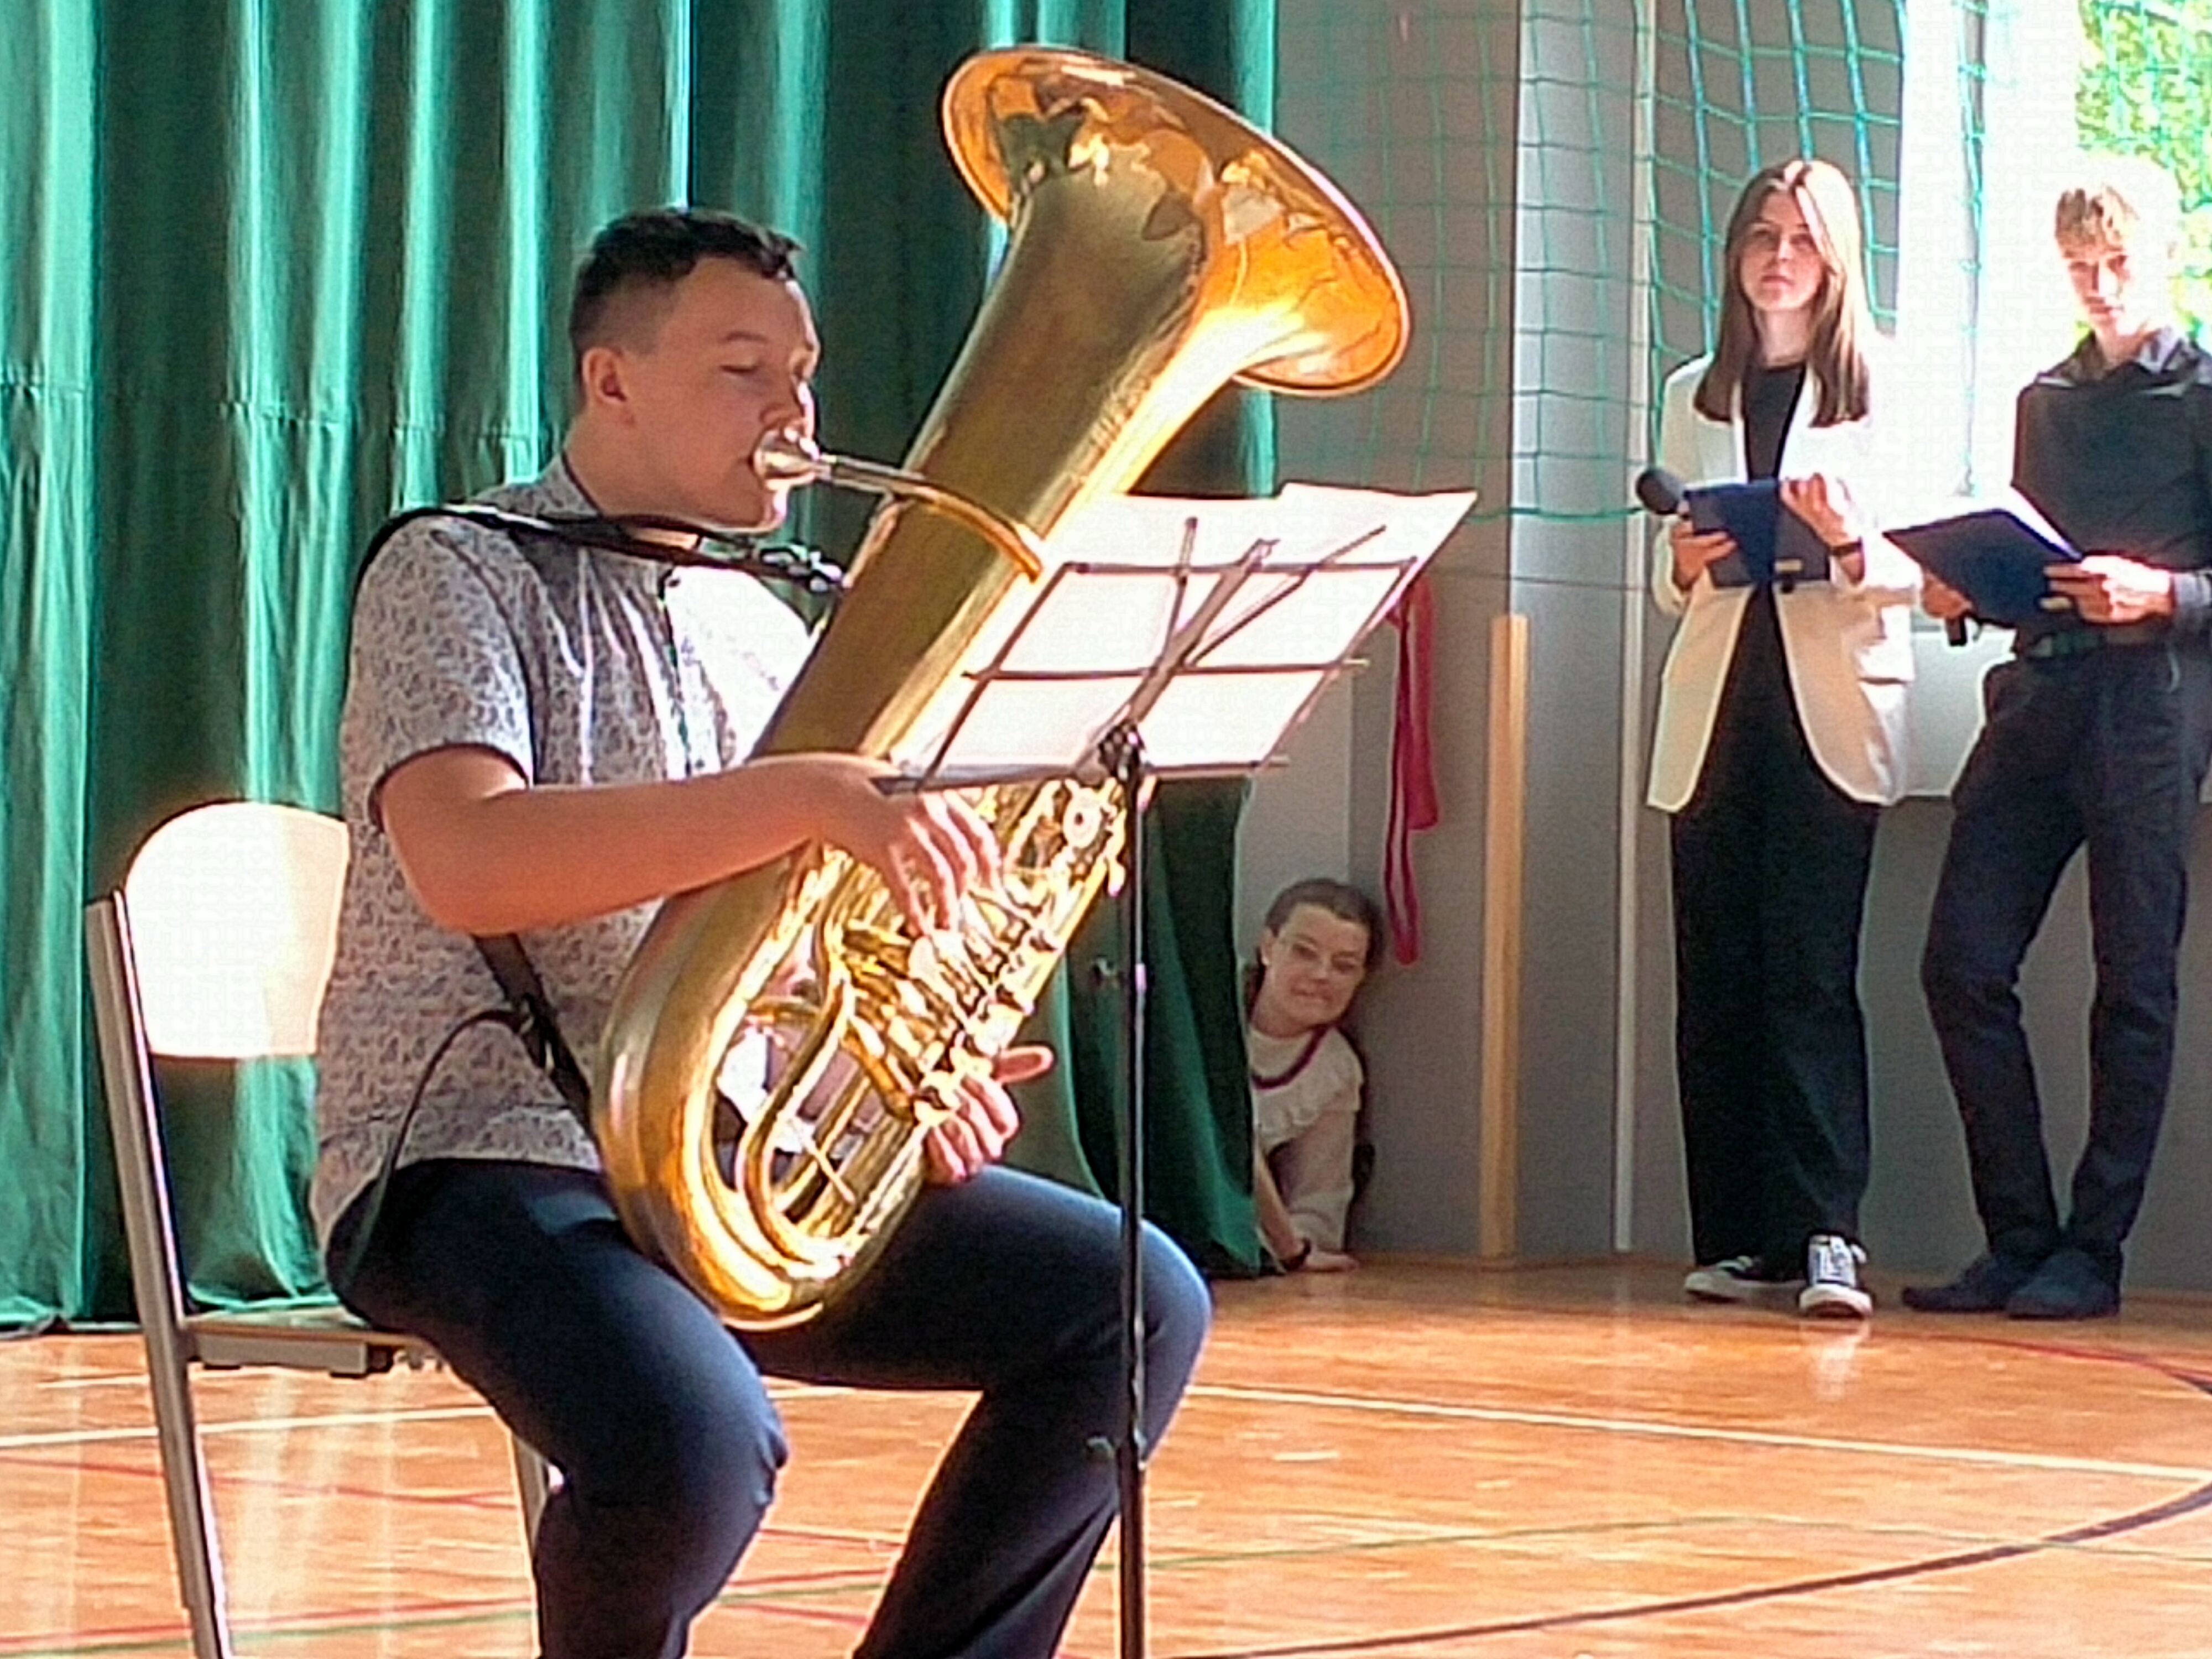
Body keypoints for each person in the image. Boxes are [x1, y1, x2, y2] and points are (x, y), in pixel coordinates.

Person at [312, 207, 1211, 1659]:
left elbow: (789, 960)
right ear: (611, 380)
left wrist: (893, 1081)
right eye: (743, 371)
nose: (794, 412)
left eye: (803, 374)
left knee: (1134, 1300)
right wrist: (800, 796)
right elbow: (468, 861)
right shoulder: (455, 569)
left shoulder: (774, 629)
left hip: (723, 1161)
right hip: (473, 1159)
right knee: (689, 1447)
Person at [1908, 156, 2212, 1322]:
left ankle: (2093, 1251)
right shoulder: (2045, 400)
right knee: (1961, 961)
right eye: (2080, 265)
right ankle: (2018, 1237)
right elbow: (2034, 561)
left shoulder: (2199, 395)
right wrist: (1967, 590)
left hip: (2151, 705)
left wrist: (2162, 595)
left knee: (2132, 981)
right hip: (2038, 695)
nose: (2099, 283)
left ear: (2167, 254)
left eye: (2118, 261)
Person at [1647, 158, 1919, 1321]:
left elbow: (1920, 567)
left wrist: (1849, 544)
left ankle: (1825, 1236)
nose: (1777, 258)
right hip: (1718, 708)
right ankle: (1737, 1238)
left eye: (1801, 240)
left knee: (1809, 978)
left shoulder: (1880, 384)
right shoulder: (1693, 391)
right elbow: (1668, 582)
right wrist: (1682, 563)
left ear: (1835, 261)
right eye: (1760, 236)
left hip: (1828, 710)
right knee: (1715, 980)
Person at [1245, 879, 1381, 1273]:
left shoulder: (1335, 1070)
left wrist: (1287, 1248)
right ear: (1268, 947)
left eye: (1344, 965)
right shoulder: (1203, 1020)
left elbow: (1320, 1202)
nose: (1322, 975)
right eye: (1304, 952)